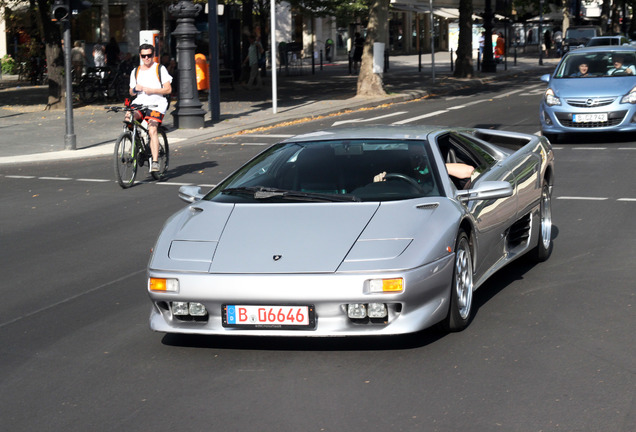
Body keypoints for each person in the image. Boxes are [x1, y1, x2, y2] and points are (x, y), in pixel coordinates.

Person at [128, 44, 173, 173]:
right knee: (128, 118)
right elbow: (131, 92)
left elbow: (168, 89)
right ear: (140, 56)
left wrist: (152, 90)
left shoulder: (160, 69)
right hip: (140, 102)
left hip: (157, 103)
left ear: (153, 55)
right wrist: (136, 89)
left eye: (149, 55)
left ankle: (154, 161)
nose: (146, 58)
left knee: (152, 129)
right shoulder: (135, 71)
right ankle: (135, 144)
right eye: (144, 56)